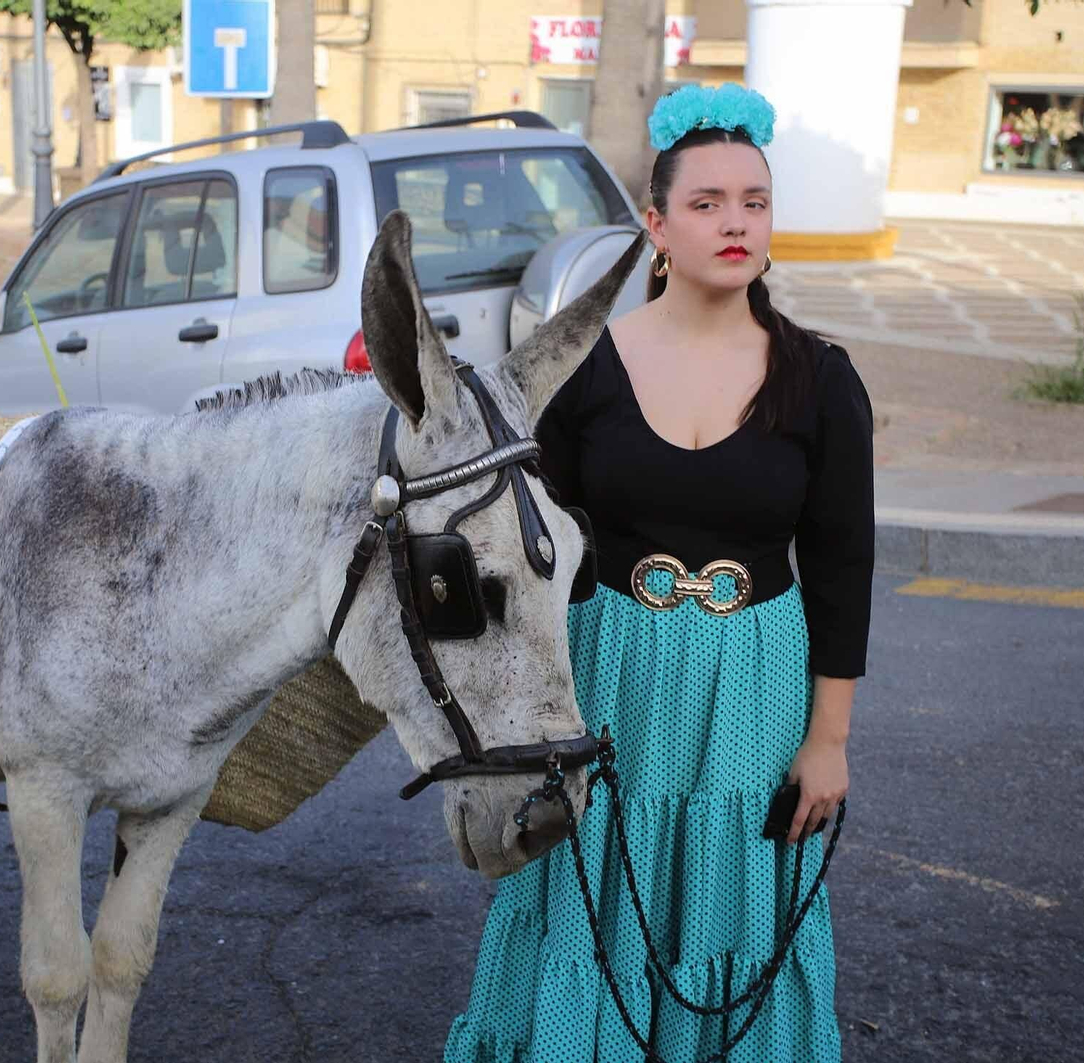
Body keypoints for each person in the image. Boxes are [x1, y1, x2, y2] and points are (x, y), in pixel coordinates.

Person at [445, 83, 872, 1063]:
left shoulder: (819, 377)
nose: (735, 222)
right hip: (610, 671)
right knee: (596, 887)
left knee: (732, 895)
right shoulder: (583, 368)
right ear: (656, 227)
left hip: (754, 685)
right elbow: (523, 543)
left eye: (753, 202)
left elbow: (844, 566)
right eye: (707, 202)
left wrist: (829, 742)